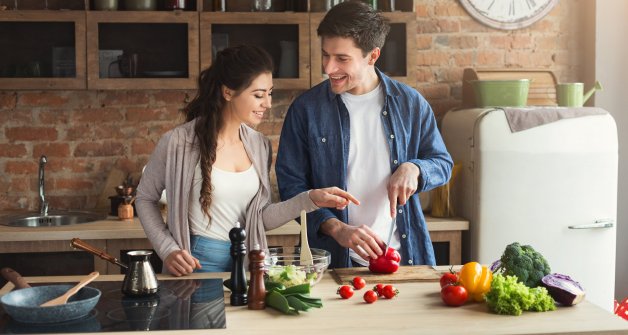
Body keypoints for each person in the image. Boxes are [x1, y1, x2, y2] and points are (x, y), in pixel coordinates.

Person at [136, 45, 358, 276]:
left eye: (269, 93)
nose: (268, 104)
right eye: (258, 95)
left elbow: (260, 218)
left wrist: (310, 199)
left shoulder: (259, 145)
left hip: (249, 262)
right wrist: (167, 249)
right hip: (197, 262)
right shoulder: (178, 142)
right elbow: (145, 198)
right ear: (228, 92)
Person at [275, 1, 453, 269]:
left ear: (372, 56)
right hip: (333, 263)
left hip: (403, 259)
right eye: (325, 55)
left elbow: (442, 163)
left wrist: (414, 168)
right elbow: (291, 187)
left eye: (342, 59)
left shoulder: (410, 104)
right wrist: (336, 227)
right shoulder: (306, 110)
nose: (328, 68)